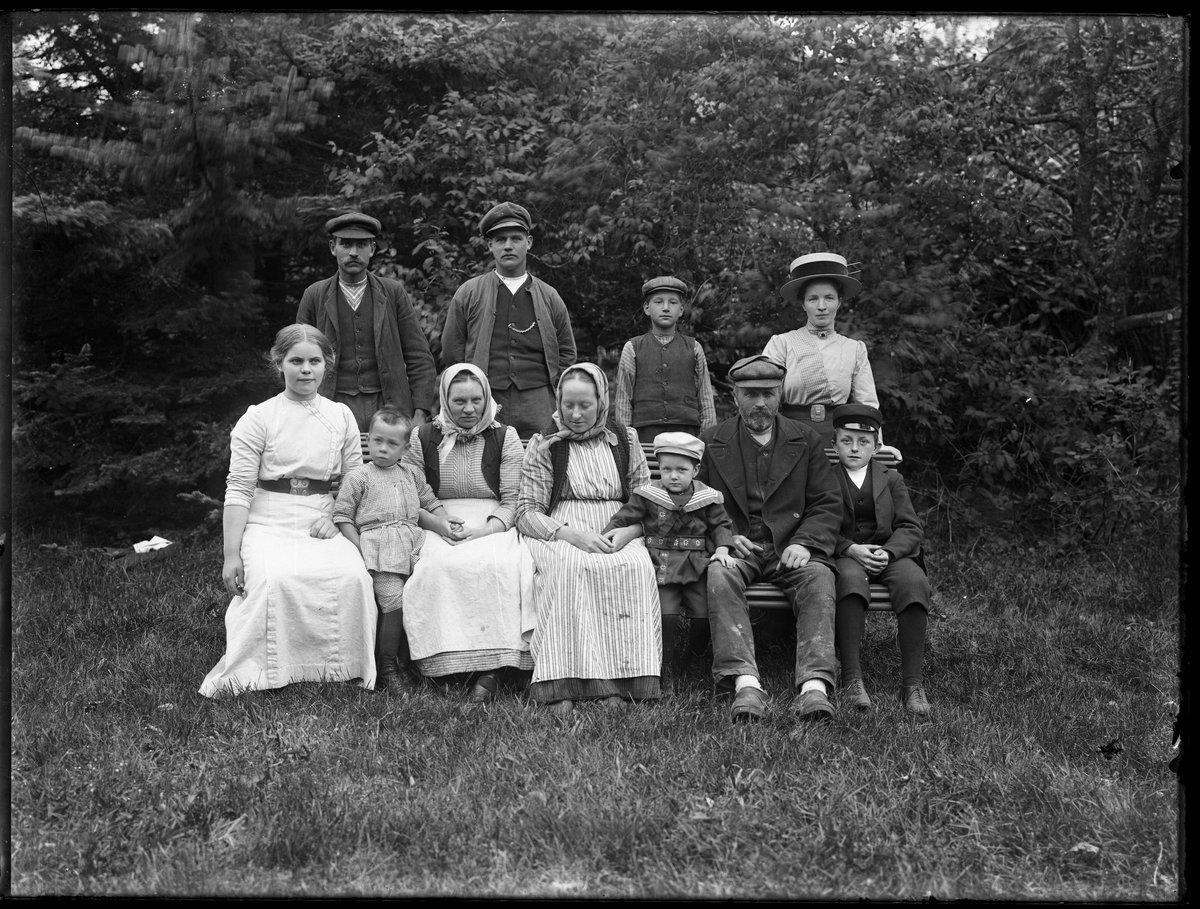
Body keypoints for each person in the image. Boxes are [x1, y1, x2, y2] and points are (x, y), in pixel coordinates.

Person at [200, 324, 377, 698]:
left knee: (352, 577)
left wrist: (336, 516)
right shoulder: (259, 417)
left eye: (315, 361)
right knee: (273, 578)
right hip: (269, 517)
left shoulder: (340, 415)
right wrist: (231, 555)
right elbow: (239, 488)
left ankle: (342, 668)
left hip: (322, 515)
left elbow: (354, 477)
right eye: (296, 361)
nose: (306, 370)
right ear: (279, 363)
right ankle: (267, 670)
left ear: (327, 364)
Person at [698, 354, 843, 724]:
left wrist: (805, 542)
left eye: (768, 393)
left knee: (819, 576)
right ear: (735, 397)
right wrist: (726, 537)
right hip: (739, 546)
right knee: (719, 574)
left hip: (790, 546)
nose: (760, 402)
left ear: (781, 396)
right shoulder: (711, 442)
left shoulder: (806, 439)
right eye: (751, 394)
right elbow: (696, 502)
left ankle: (814, 686)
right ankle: (746, 684)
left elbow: (827, 502)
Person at [516, 362, 662, 715]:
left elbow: (648, 500)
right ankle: (562, 683)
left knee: (633, 566)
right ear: (558, 402)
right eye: (568, 405)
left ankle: (623, 681)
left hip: (619, 525)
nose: (576, 414)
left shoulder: (624, 439)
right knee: (571, 567)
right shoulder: (545, 444)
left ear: (601, 401)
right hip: (561, 528)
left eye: (585, 405)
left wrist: (629, 533)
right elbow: (526, 511)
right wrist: (570, 535)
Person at [400, 363, 536, 703]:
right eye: (459, 401)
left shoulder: (504, 436)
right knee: (436, 567)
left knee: (503, 566)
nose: (469, 409)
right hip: (435, 518)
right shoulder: (423, 436)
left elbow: (513, 499)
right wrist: (438, 523)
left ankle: (496, 667)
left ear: (487, 398)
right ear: (445, 400)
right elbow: (409, 495)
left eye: (477, 400)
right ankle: (445, 666)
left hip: (492, 521)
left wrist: (485, 531)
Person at [332, 406, 461, 695]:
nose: (383, 448)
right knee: (393, 604)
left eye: (392, 443)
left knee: (415, 599)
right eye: (377, 440)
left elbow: (429, 501)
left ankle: (407, 666)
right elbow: (342, 515)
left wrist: (444, 519)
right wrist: (360, 547)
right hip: (380, 550)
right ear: (368, 440)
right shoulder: (359, 477)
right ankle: (387, 670)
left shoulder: (411, 474)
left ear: (405, 448)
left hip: (413, 546)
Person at [602, 432, 736, 694]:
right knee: (667, 617)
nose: (673, 476)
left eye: (681, 470)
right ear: (659, 469)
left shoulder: (707, 497)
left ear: (695, 470)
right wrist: (605, 535)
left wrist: (722, 549)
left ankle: (695, 658)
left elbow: (721, 525)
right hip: (661, 563)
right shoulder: (649, 495)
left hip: (696, 565)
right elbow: (624, 517)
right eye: (667, 469)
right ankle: (667, 665)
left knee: (703, 616)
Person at [441, 202, 577, 438]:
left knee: (542, 455)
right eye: (500, 240)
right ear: (489, 245)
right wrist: (472, 390)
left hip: (539, 402)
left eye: (516, 239)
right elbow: (452, 350)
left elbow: (567, 351)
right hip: (485, 399)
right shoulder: (469, 293)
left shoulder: (549, 296)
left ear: (529, 242)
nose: (508, 246)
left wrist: (552, 390)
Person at [829, 404, 932, 717]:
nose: (854, 448)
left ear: (875, 447)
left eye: (863, 442)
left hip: (888, 553)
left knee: (914, 582)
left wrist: (888, 552)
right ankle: (852, 678)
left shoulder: (891, 479)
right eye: (846, 441)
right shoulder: (824, 479)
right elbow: (817, 525)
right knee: (848, 581)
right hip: (847, 554)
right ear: (834, 445)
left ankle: (912, 683)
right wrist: (849, 548)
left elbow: (910, 527)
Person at [297, 212, 437, 432]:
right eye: (346, 244)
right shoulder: (314, 295)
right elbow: (297, 360)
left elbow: (418, 356)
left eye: (361, 245)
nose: (353, 252)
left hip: (389, 407)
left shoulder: (393, 292)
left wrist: (420, 412)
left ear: (372, 249)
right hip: (330, 406)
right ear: (333, 247)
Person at [762, 252, 881, 447]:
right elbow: (765, 397)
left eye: (829, 298)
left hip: (840, 441)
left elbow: (867, 406)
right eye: (813, 299)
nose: (822, 306)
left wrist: (876, 445)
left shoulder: (854, 349)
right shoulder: (781, 343)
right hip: (789, 438)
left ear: (839, 301)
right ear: (803, 303)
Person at [612, 276, 718, 444]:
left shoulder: (694, 348)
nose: (666, 308)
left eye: (673, 302)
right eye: (659, 302)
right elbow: (624, 401)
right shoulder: (632, 348)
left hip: (687, 436)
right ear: (647, 308)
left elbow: (705, 400)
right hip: (644, 436)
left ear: (681, 310)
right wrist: (627, 442)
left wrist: (707, 442)